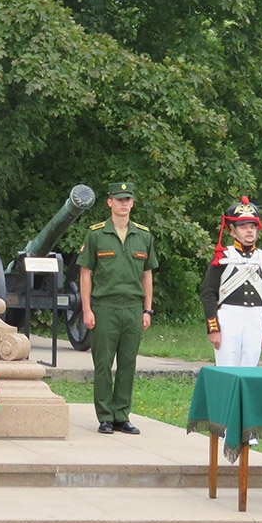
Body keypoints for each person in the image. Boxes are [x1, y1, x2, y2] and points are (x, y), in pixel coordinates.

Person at [76, 182, 157, 436]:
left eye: (128, 199)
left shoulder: (143, 235)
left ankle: (122, 415)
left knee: (127, 364)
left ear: (132, 203)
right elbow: (86, 274)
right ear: (109, 202)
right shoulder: (97, 235)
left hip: (132, 307)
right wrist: (87, 309)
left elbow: (148, 275)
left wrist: (147, 310)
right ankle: (105, 417)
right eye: (119, 199)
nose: (124, 203)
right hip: (105, 307)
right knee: (102, 364)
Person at [199, 196, 262, 368]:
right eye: (243, 227)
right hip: (229, 317)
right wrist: (213, 327)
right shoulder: (223, 256)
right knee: (227, 367)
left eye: (252, 227)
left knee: (250, 367)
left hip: (255, 317)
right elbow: (208, 294)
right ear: (233, 231)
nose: (249, 231)